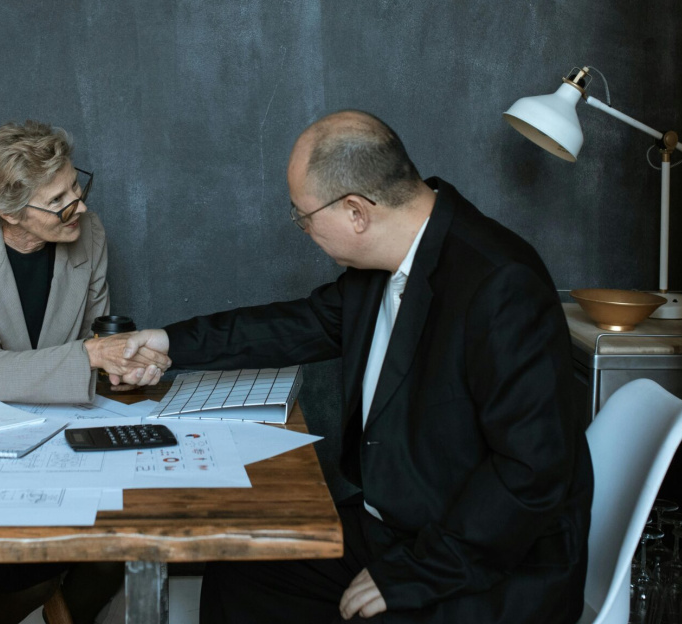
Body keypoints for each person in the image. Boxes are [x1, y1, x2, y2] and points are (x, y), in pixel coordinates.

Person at [120, 110, 593, 623]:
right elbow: (291, 325)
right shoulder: (381, 266)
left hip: (483, 562)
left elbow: (532, 474)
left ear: (356, 211)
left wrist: (418, 571)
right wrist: (167, 343)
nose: (301, 227)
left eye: (302, 214)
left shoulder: (502, 284)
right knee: (243, 567)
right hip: (400, 527)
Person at [0, 120, 166, 623]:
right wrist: (92, 357)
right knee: (27, 572)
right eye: (59, 200)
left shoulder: (89, 232)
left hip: (58, 436)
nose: (78, 205)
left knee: (118, 546)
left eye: (76, 186)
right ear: (8, 212)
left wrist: (124, 365)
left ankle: (53, 607)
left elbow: (96, 342)